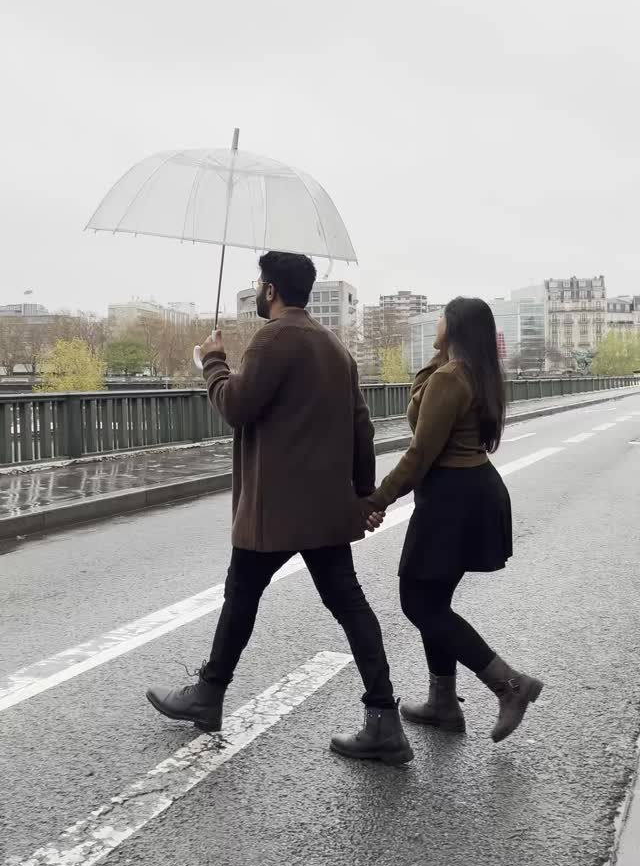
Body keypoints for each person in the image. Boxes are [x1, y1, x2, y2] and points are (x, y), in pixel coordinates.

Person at [147, 251, 413, 766]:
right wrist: (361, 496)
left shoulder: (275, 338)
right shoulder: (336, 346)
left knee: (241, 594)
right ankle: (383, 718)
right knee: (349, 605)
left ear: (271, 291)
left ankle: (209, 694)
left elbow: (236, 406)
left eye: (259, 285)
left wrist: (213, 361)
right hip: (326, 509)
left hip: (275, 508)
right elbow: (363, 428)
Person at [363, 297, 543, 743]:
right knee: (432, 601)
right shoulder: (472, 374)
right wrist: (439, 357)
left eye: (442, 316)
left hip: (451, 500)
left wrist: (378, 498)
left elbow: (420, 454)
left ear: (455, 327)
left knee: (418, 602)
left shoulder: (450, 379)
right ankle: (442, 702)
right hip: (471, 494)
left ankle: (509, 685)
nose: (435, 322)